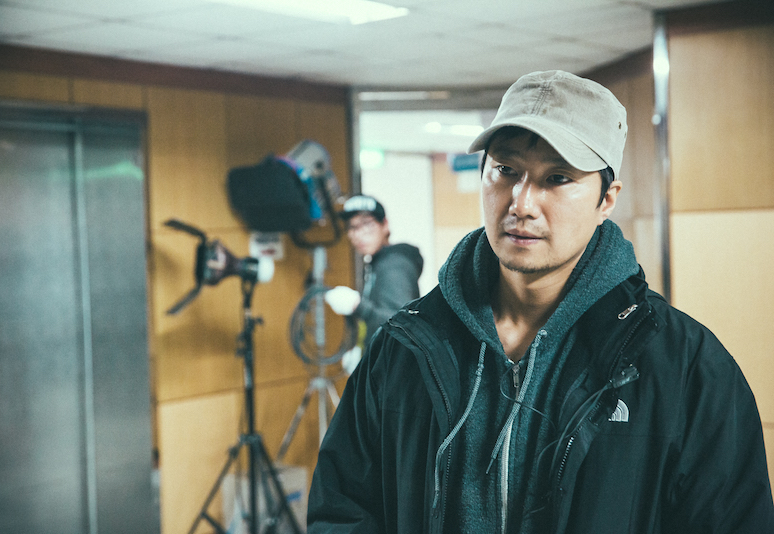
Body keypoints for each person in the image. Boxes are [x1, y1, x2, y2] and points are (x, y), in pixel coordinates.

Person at [307, 70, 774, 533]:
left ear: (606, 200)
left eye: (557, 177)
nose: (522, 203)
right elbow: (343, 509)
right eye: (506, 170)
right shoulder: (406, 346)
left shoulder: (684, 365)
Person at [324, 194, 423, 373]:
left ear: (384, 225)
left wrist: (358, 306)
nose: (358, 234)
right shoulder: (377, 262)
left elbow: (401, 325)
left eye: (367, 224)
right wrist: (362, 350)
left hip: (395, 372)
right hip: (383, 366)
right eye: (352, 227)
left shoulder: (394, 265)